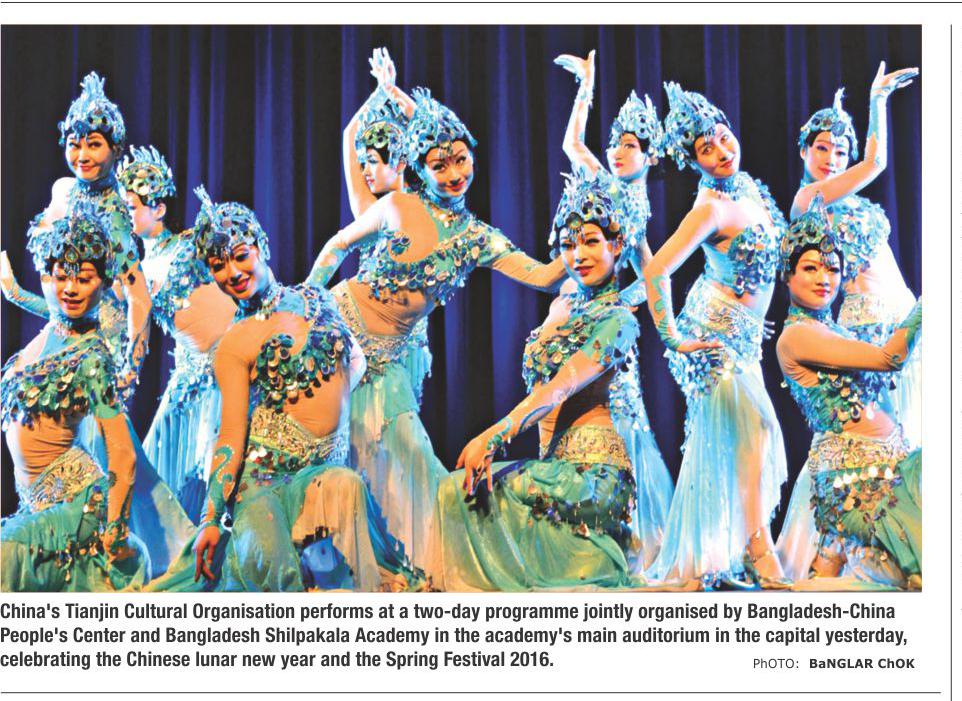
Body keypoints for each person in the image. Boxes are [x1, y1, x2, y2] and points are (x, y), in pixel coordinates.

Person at [307, 88, 567, 575]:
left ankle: (423, 567)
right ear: (420, 170)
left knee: (409, 458)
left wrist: (582, 240)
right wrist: (304, 302)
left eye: (461, 160)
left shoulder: (476, 237)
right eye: (439, 165)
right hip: (340, 333)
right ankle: (329, 564)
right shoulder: (398, 205)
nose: (453, 174)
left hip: (387, 359)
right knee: (328, 449)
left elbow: (543, 276)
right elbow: (337, 246)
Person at [149, 188, 420, 592]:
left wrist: (325, 423)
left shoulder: (317, 299)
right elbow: (230, 436)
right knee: (277, 577)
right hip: (263, 484)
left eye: (240, 256)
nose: (232, 273)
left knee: (350, 496)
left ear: (261, 247)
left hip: (324, 471)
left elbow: (357, 362)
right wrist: (211, 518)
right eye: (218, 266)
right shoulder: (234, 343)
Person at [428, 171, 646, 591]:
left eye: (591, 241)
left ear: (617, 245)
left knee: (463, 493)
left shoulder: (618, 321)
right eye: (567, 245)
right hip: (553, 465)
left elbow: (558, 387)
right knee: (456, 491)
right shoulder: (563, 309)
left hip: (594, 477)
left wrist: (491, 437)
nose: (578, 255)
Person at [643, 82, 789, 588]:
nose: (723, 152)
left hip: (746, 337)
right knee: (755, 431)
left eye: (725, 139)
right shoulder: (709, 209)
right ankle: (757, 549)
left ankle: (724, 551)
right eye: (708, 149)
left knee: (741, 440)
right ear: (693, 161)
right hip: (713, 334)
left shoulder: (746, 187)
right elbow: (657, 271)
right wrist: (672, 337)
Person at [776, 63, 920, 579]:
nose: (832, 159)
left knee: (907, 430)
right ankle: (831, 550)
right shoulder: (807, 201)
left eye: (841, 151)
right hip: (865, 323)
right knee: (852, 432)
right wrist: (877, 100)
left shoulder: (854, 203)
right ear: (803, 151)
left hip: (900, 307)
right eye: (822, 148)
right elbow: (876, 161)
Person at [554, 50, 673, 568]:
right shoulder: (604, 183)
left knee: (621, 411)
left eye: (629, 145)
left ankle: (624, 535)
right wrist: (587, 86)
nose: (618, 152)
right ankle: (575, 529)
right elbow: (571, 144)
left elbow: (654, 275)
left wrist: (619, 303)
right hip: (573, 307)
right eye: (615, 144)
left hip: (606, 319)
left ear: (650, 155)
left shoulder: (637, 207)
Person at [1, 208, 145, 591]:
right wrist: (13, 290)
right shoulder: (52, 329)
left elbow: (124, 454)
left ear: (103, 282)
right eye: (61, 276)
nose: (70, 289)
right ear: (47, 276)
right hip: (37, 506)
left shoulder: (92, 358)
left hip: (78, 507)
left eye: (83, 279)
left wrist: (116, 531)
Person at [2, 72, 152, 395]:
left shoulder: (114, 215)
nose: (82, 156)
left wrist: (129, 368)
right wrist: (16, 293)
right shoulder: (63, 190)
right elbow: (61, 292)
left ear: (115, 148)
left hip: (93, 342)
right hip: (59, 328)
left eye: (94, 145)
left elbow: (139, 296)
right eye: (74, 144)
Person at [116, 145, 236, 521]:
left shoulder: (189, 245)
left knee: (220, 482)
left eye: (131, 206)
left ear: (158, 209)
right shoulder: (135, 272)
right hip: (189, 380)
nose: (124, 214)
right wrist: (18, 295)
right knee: (152, 483)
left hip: (227, 371)